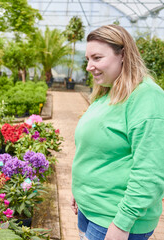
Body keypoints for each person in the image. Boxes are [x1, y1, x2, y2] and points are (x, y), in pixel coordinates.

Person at [71, 24, 164, 240]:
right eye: (87, 59)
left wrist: (122, 225)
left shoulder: (147, 98)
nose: (89, 67)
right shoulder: (108, 92)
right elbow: (93, 150)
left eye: (97, 58)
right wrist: (80, 190)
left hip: (113, 220)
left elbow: (150, 172)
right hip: (90, 210)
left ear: (123, 54)